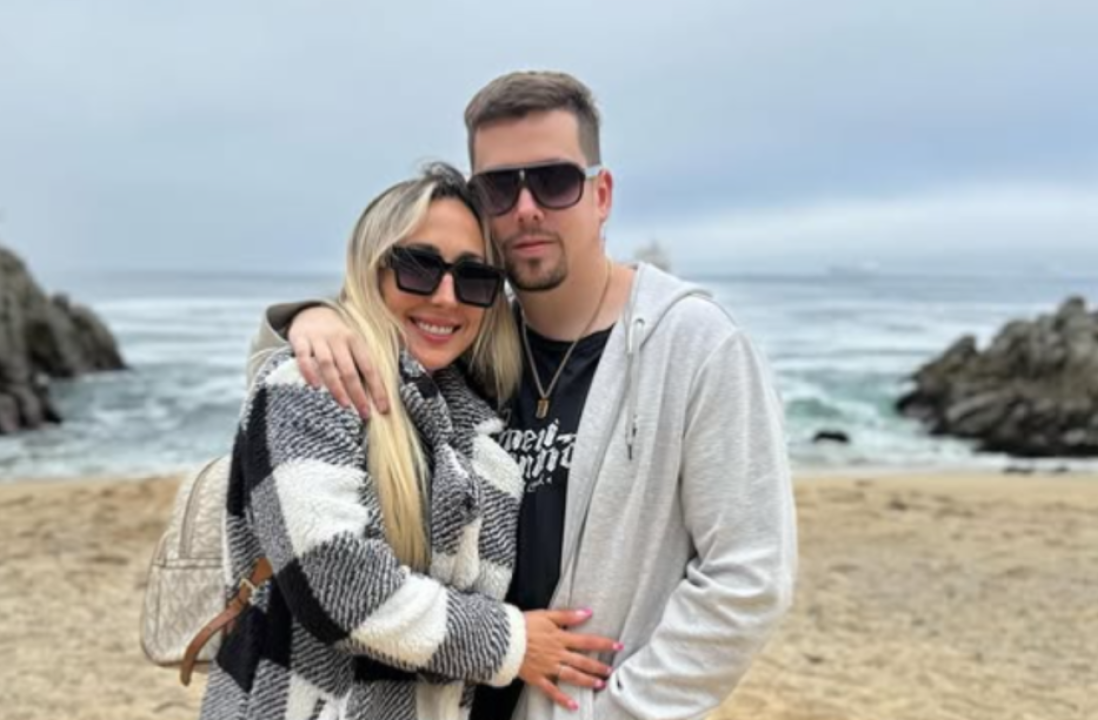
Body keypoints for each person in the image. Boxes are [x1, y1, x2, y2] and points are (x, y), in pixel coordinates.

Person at [249, 72, 797, 720]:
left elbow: (748, 577)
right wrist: (310, 320)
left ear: (601, 194)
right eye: (500, 188)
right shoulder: (471, 339)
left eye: (555, 181)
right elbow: (298, 401)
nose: (527, 208)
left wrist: (621, 712)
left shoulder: (693, 344)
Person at [201, 163, 618, 720]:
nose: (447, 297)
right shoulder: (310, 383)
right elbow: (334, 582)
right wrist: (512, 644)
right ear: (372, 268)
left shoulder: (476, 421)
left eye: (474, 278)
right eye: (418, 267)